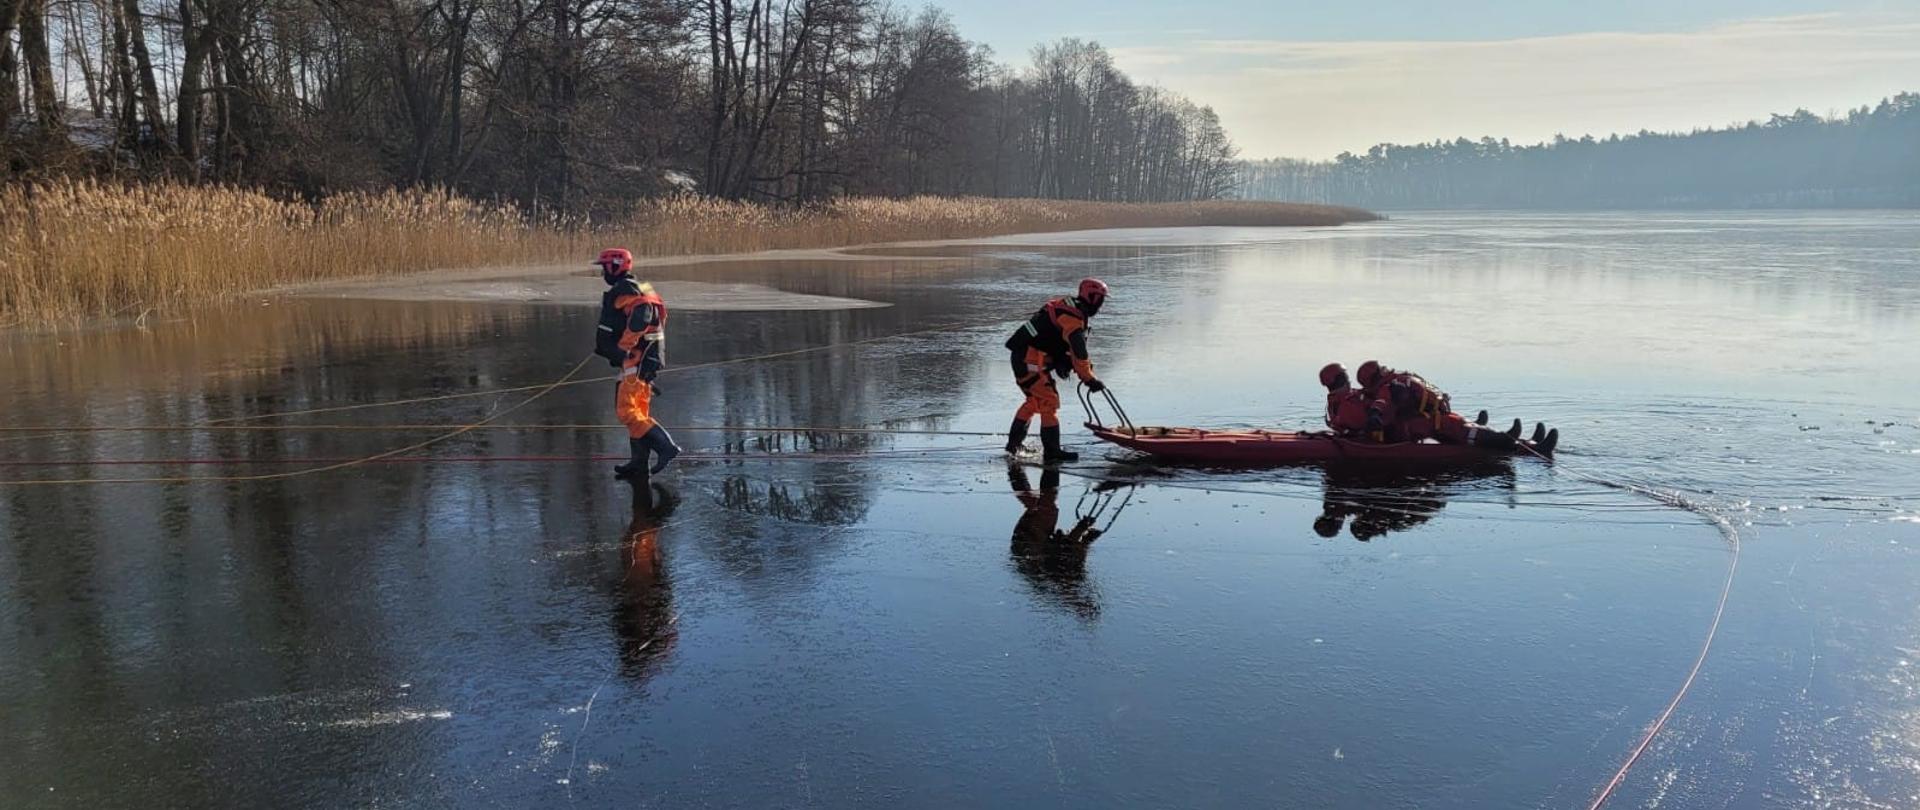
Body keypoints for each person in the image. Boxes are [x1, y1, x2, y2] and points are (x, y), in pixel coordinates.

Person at [594, 248, 681, 479]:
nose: (603, 273)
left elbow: (642, 316)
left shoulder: (627, 290)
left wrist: (624, 348)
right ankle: (639, 463)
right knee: (638, 410)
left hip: (637, 358)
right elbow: (660, 315)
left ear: (615, 267)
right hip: (647, 357)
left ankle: (666, 447)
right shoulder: (642, 286)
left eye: (604, 268)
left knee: (627, 411)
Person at [1004, 278, 1108, 463]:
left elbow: (1070, 349)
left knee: (1035, 401)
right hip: (1029, 360)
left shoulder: (1070, 308)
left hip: (1024, 357)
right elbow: (1078, 351)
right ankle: (1052, 452)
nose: (1101, 305)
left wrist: (1071, 364)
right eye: (1100, 300)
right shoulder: (1073, 317)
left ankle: (1014, 446)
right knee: (1049, 401)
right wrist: (1088, 378)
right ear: (1091, 297)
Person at [1354, 359, 1529, 449]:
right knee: (1453, 425)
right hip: (1417, 424)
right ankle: (1501, 439)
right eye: (1380, 370)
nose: (1385, 370)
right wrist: (1375, 413)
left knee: (1454, 420)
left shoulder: (1394, 382)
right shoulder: (1388, 387)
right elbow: (1382, 403)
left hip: (1428, 418)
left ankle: (1481, 432)